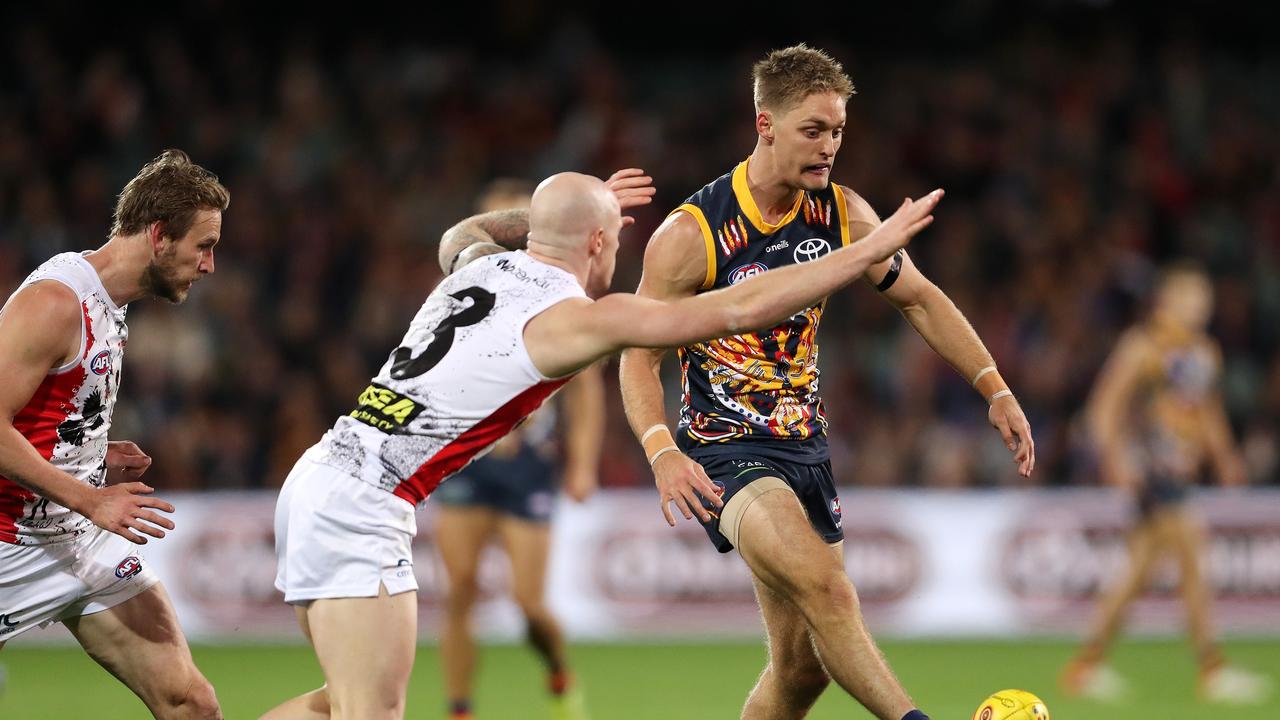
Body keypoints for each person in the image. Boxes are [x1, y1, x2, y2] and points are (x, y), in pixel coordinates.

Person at [263, 167, 942, 720]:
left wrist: (572, 212)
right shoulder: (579, 319)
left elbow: (461, 233)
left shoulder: (470, 269)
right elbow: (737, 308)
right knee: (368, 713)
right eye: (612, 235)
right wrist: (859, 253)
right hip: (366, 504)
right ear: (596, 243)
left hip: (319, 478)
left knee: (341, 705)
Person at [617, 44, 1034, 720]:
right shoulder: (692, 235)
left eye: (838, 130)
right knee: (830, 591)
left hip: (806, 450)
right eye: (814, 130)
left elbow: (920, 299)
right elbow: (638, 356)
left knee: (802, 668)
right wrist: (662, 449)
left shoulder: (844, 216)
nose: (829, 145)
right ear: (766, 125)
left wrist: (995, 387)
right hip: (726, 452)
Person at [0, 149, 228, 719]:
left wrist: (92, 458)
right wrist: (89, 495)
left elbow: (44, 415)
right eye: (204, 246)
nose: (209, 265)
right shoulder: (55, 303)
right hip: (8, 544)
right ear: (158, 235)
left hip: (75, 539)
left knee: (191, 704)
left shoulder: (111, 304)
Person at [1060, 263, 1273, 704]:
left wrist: (1226, 457)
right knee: (1193, 555)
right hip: (1150, 469)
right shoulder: (1143, 346)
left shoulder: (1203, 352)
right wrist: (1115, 462)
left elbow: (1206, 411)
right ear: (1167, 302)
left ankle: (1085, 666)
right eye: (1191, 297)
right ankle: (1212, 668)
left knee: (1137, 573)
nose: (1201, 306)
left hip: (1179, 471)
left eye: (1204, 298)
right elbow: (1104, 406)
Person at [430, 179, 604, 720]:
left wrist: (581, 464)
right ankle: (460, 709)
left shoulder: (554, 291)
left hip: (527, 466)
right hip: (465, 461)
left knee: (529, 606)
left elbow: (586, 385)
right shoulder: (463, 291)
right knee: (459, 591)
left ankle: (557, 667)